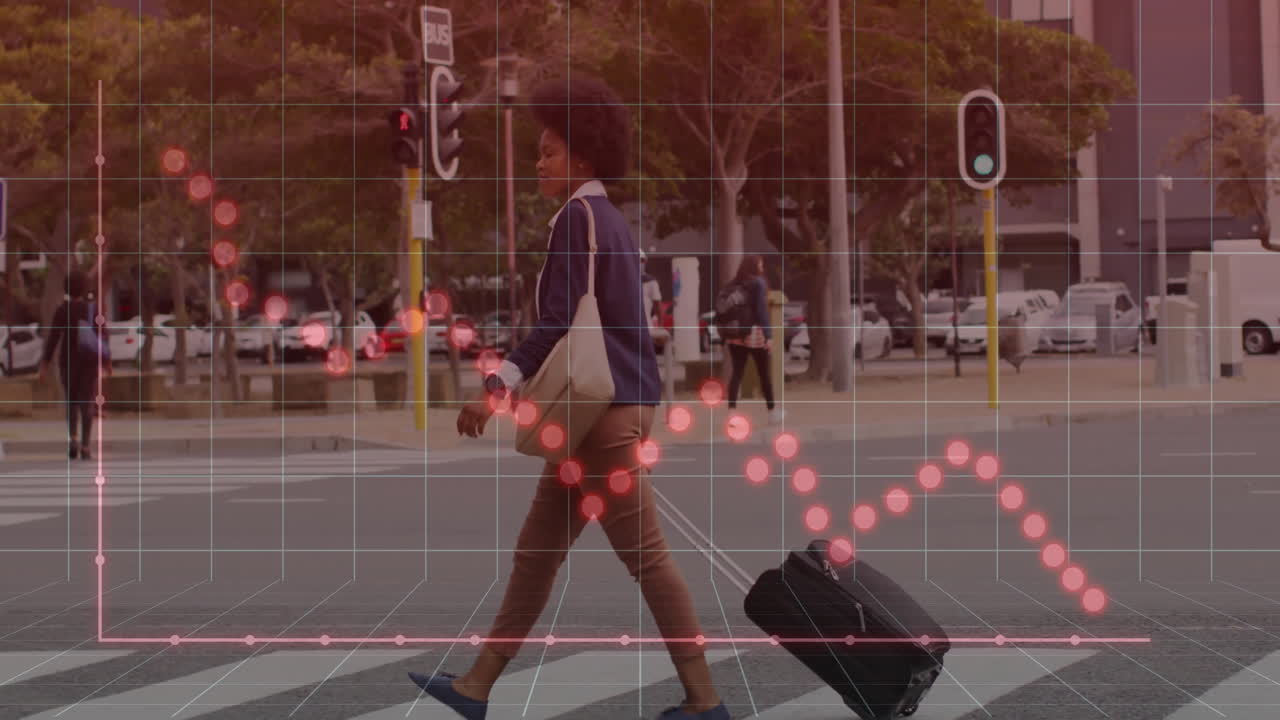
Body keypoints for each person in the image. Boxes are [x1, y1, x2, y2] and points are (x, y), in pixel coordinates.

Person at [417, 75, 729, 720]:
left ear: (582, 159)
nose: (539, 161)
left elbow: (558, 322)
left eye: (550, 151)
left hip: (600, 413)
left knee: (647, 559)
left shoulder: (579, 219)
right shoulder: (609, 219)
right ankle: (476, 686)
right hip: (609, 406)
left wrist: (496, 388)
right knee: (537, 553)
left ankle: (706, 698)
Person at [38, 270, 108, 460]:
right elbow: (103, 335)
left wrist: (44, 364)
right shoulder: (94, 310)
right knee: (87, 403)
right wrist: (107, 363)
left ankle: (73, 440)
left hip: (68, 362)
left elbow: (53, 339)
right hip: (89, 362)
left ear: (66, 289)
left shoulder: (62, 310)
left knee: (71, 401)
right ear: (85, 288)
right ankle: (86, 446)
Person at [723, 255, 782, 424]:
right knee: (764, 374)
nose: (762, 267)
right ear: (755, 266)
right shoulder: (758, 283)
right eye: (761, 264)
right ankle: (772, 413)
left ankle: (731, 414)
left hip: (735, 334)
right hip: (754, 334)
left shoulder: (733, 284)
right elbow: (761, 312)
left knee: (737, 373)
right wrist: (768, 336)